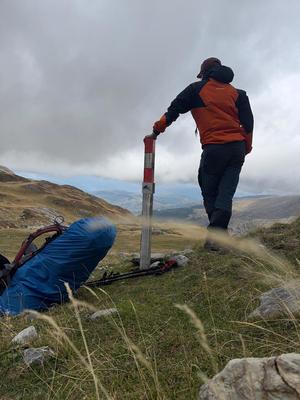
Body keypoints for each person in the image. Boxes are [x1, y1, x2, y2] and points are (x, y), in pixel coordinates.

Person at [151, 57, 254, 250]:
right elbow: (248, 124)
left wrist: (157, 130)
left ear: (204, 73)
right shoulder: (238, 94)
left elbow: (173, 110)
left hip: (214, 149)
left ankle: (216, 239)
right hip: (237, 149)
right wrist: (246, 148)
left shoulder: (196, 89)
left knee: (209, 191)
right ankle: (220, 238)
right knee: (226, 193)